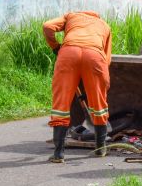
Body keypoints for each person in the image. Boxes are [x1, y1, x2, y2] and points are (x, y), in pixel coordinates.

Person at [43, 11, 112, 163]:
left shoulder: (71, 16)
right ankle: (100, 149)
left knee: (60, 105)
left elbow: (47, 26)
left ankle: (58, 154)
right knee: (99, 105)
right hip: (95, 56)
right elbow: (106, 60)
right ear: (97, 16)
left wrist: (55, 47)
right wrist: (98, 86)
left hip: (68, 54)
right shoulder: (104, 26)